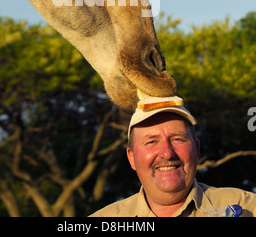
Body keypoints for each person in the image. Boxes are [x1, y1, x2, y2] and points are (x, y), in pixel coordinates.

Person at [89, 92, 256, 217]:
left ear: (196, 150)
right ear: (131, 157)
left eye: (177, 139)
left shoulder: (247, 207)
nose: (167, 153)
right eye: (151, 141)